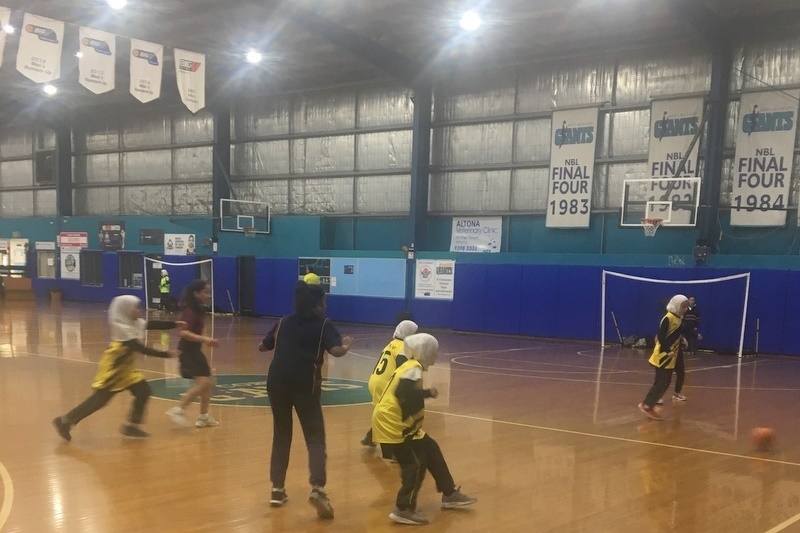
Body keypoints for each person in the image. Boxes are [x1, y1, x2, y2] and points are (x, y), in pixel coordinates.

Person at [258, 280, 353, 520]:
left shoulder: (283, 321)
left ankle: (277, 490)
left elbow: (263, 346)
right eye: (323, 302)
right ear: (318, 304)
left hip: (276, 383)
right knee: (315, 437)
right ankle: (318, 489)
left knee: (281, 434)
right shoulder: (324, 325)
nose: (325, 306)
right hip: (304, 386)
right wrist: (347, 345)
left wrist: (276, 342)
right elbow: (337, 351)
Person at [372, 333, 477, 525]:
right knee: (415, 464)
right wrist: (409, 422)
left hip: (398, 423)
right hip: (394, 424)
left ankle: (449, 493)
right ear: (425, 351)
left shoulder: (411, 366)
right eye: (434, 351)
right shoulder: (413, 369)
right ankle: (404, 508)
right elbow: (403, 393)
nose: (436, 354)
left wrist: (425, 394)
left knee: (431, 448)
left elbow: (407, 393)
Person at [52, 295, 180, 441]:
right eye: (137, 307)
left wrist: (175, 324)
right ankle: (65, 421)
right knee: (99, 401)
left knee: (143, 391)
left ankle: (132, 426)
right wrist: (167, 354)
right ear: (126, 309)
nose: (140, 310)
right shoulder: (122, 328)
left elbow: (150, 324)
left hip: (126, 367)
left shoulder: (133, 322)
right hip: (114, 367)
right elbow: (139, 348)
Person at [166, 279, 220, 428]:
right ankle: (179, 409)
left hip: (195, 349)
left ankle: (203, 417)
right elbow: (183, 332)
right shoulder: (190, 310)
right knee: (205, 383)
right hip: (189, 350)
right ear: (196, 293)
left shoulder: (197, 309)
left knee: (207, 382)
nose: (208, 295)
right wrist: (205, 339)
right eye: (205, 292)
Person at [360, 320, 418, 453]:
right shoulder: (404, 347)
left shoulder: (391, 344)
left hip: (375, 381)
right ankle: (396, 451)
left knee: (386, 413)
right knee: (398, 415)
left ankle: (370, 437)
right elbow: (401, 368)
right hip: (387, 384)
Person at [639, 294, 689, 421]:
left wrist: (682, 339)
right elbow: (661, 337)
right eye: (684, 306)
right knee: (661, 382)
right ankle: (646, 405)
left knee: (665, 382)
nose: (686, 309)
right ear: (677, 306)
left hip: (671, 356)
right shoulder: (668, 318)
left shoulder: (678, 319)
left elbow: (675, 334)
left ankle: (650, 402)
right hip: (663, 356)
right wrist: (667, 350)